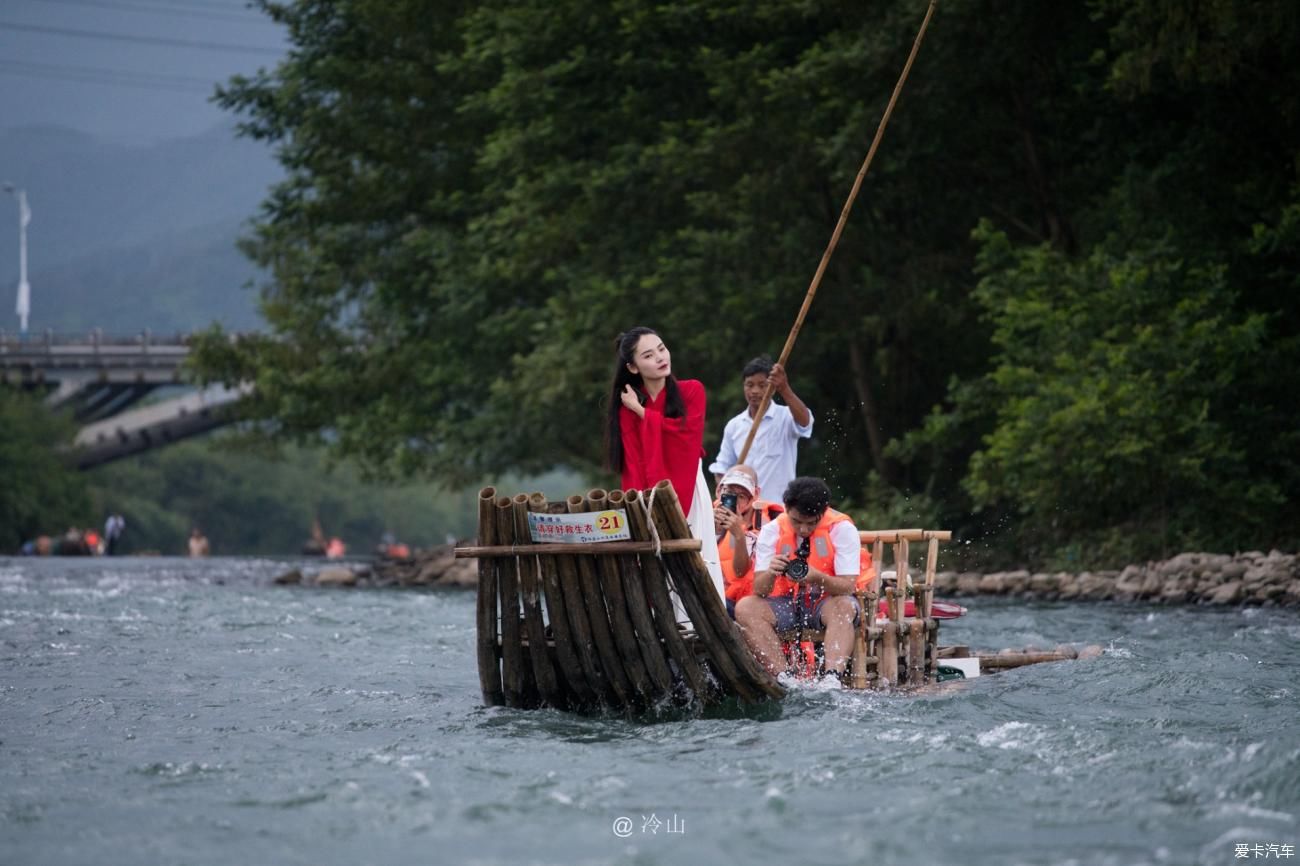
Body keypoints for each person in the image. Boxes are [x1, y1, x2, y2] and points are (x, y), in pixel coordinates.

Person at [606, 326, 723, 606]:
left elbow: (687, 437)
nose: (660, 357)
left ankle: (706, 627)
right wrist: (640, 506)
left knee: (696, 556)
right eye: (648, 355)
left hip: (688, 486)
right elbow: (633, 462)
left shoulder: (691, 390)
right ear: (633, 367)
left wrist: (643, 412)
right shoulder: (627, 407)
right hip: (648, 490)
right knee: (654, 561)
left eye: (661, 348)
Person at [734, 476, 861, 683]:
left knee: (845, 606)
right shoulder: (772, 530)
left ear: (824, 511)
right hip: (787, 603)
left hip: (826, 602)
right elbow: (760, 590)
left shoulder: (842, 529)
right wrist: (771, 572)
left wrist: (816, 577)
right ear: (786, 509)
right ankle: (785, 678)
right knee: (746, 607)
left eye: (811, 523)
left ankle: (832, 679)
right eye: (796, 521)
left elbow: (848, 585)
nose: (803, 529)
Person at [709, 357, 813, 503]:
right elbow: (721, 469)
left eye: (762, 385)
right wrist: (727, 497)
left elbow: (805, 423)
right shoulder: (734, 426)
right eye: (749, 385)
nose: (755, 391)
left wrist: (784, 388)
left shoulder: (786, 417)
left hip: (779, 509)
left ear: (772, 387)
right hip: (745, 513)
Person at [713, 464, 785, 619]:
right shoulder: (703, 515)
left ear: (755, 495)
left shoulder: (769, 522)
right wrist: (714, 531)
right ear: (719, 491)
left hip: (748, 603)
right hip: (714, 594)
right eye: (729, 494)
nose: (734, 502)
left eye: (741, 496)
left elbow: (740, 572)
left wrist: (739, 534)